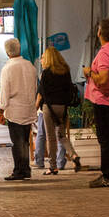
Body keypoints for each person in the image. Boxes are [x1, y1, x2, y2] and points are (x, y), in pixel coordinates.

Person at [83, 18, 109, 188]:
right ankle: (108, 173)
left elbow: (104, 79)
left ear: (99, 32)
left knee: (105, 138)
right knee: (106, 138)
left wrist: (89, 72)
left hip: (102, 99)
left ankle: (108, 175)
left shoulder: (105, 53)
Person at [0, 38, 38, 181]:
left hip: (14, 110)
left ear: (7, 52)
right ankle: (26, 169)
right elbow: (34, 87)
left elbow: (4, 92)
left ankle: (19, 170)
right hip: (28, 108)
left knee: (17, 142)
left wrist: (1, 110)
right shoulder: (30, 66)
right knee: (25, 141)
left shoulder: (7, 68)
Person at [37, 46, 82, 174]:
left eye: (44, 57)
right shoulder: (65, 71)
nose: (42, 59)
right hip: (62, 107)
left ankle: (52, 166)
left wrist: (35, 107)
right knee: (62, 136)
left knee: (50, 138)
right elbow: (69, 89)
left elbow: (42, 92)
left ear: (49, 58)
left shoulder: (46, 73)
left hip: (49, 108)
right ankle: (73, 155)